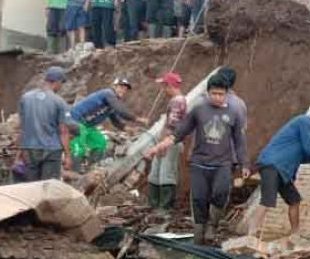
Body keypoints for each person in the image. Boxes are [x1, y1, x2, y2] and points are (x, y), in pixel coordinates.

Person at [147, 70, 248, 245]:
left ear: (227, 94)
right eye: (214, 93)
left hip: (223, 163)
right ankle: (199, 235)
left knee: (221, 193)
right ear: (208, 93)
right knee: (199, 199)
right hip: (200, 163)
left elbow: (239, 140)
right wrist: (158, 146)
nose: (217, 97)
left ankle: (213, 225)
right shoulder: (199, 110)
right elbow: (180, 132)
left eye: (221, 94)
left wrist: (244, 164)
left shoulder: (234, 112)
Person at [249, 104, 310, 237]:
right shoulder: (305, 121)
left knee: (294, 201)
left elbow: (309, 156)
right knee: (267, 201)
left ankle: (295, 233)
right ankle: (251, 234)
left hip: (283, 171)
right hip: (272, 165)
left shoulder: (305, 131)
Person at [69, 77, 144, 168]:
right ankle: (73, 171)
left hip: (88, 125)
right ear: (114, 86)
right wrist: (137, 119)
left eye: (125, 89)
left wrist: (129, 129)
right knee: (79, 147)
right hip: (75, 120)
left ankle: (91, 168)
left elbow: (116, 121)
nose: (123, 91)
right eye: (121, 87)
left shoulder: (112, 104)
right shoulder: (108, 93)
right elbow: (120, 110)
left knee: (100, 143)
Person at [16, 66, 72, 181]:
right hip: (51, 150)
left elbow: (22, 127)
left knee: (31, 186)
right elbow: (64, 131)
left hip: (30, 149)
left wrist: (19, 152)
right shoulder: (59, 102)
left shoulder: (26, 98)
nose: (61, 87)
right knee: (48, 186)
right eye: (61, 83)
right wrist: (67, 156)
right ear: (57, 82)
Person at [148, 72, 187, 211]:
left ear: (170, 86)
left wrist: (162, 145)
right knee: (156, 173)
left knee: (166, 174)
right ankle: (155, 206)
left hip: (170, 142)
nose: (163, 89)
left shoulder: (178, 101)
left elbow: (173, 127)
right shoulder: (176, 100)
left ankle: (164, 208)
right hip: (166, 141)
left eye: (164, 86)